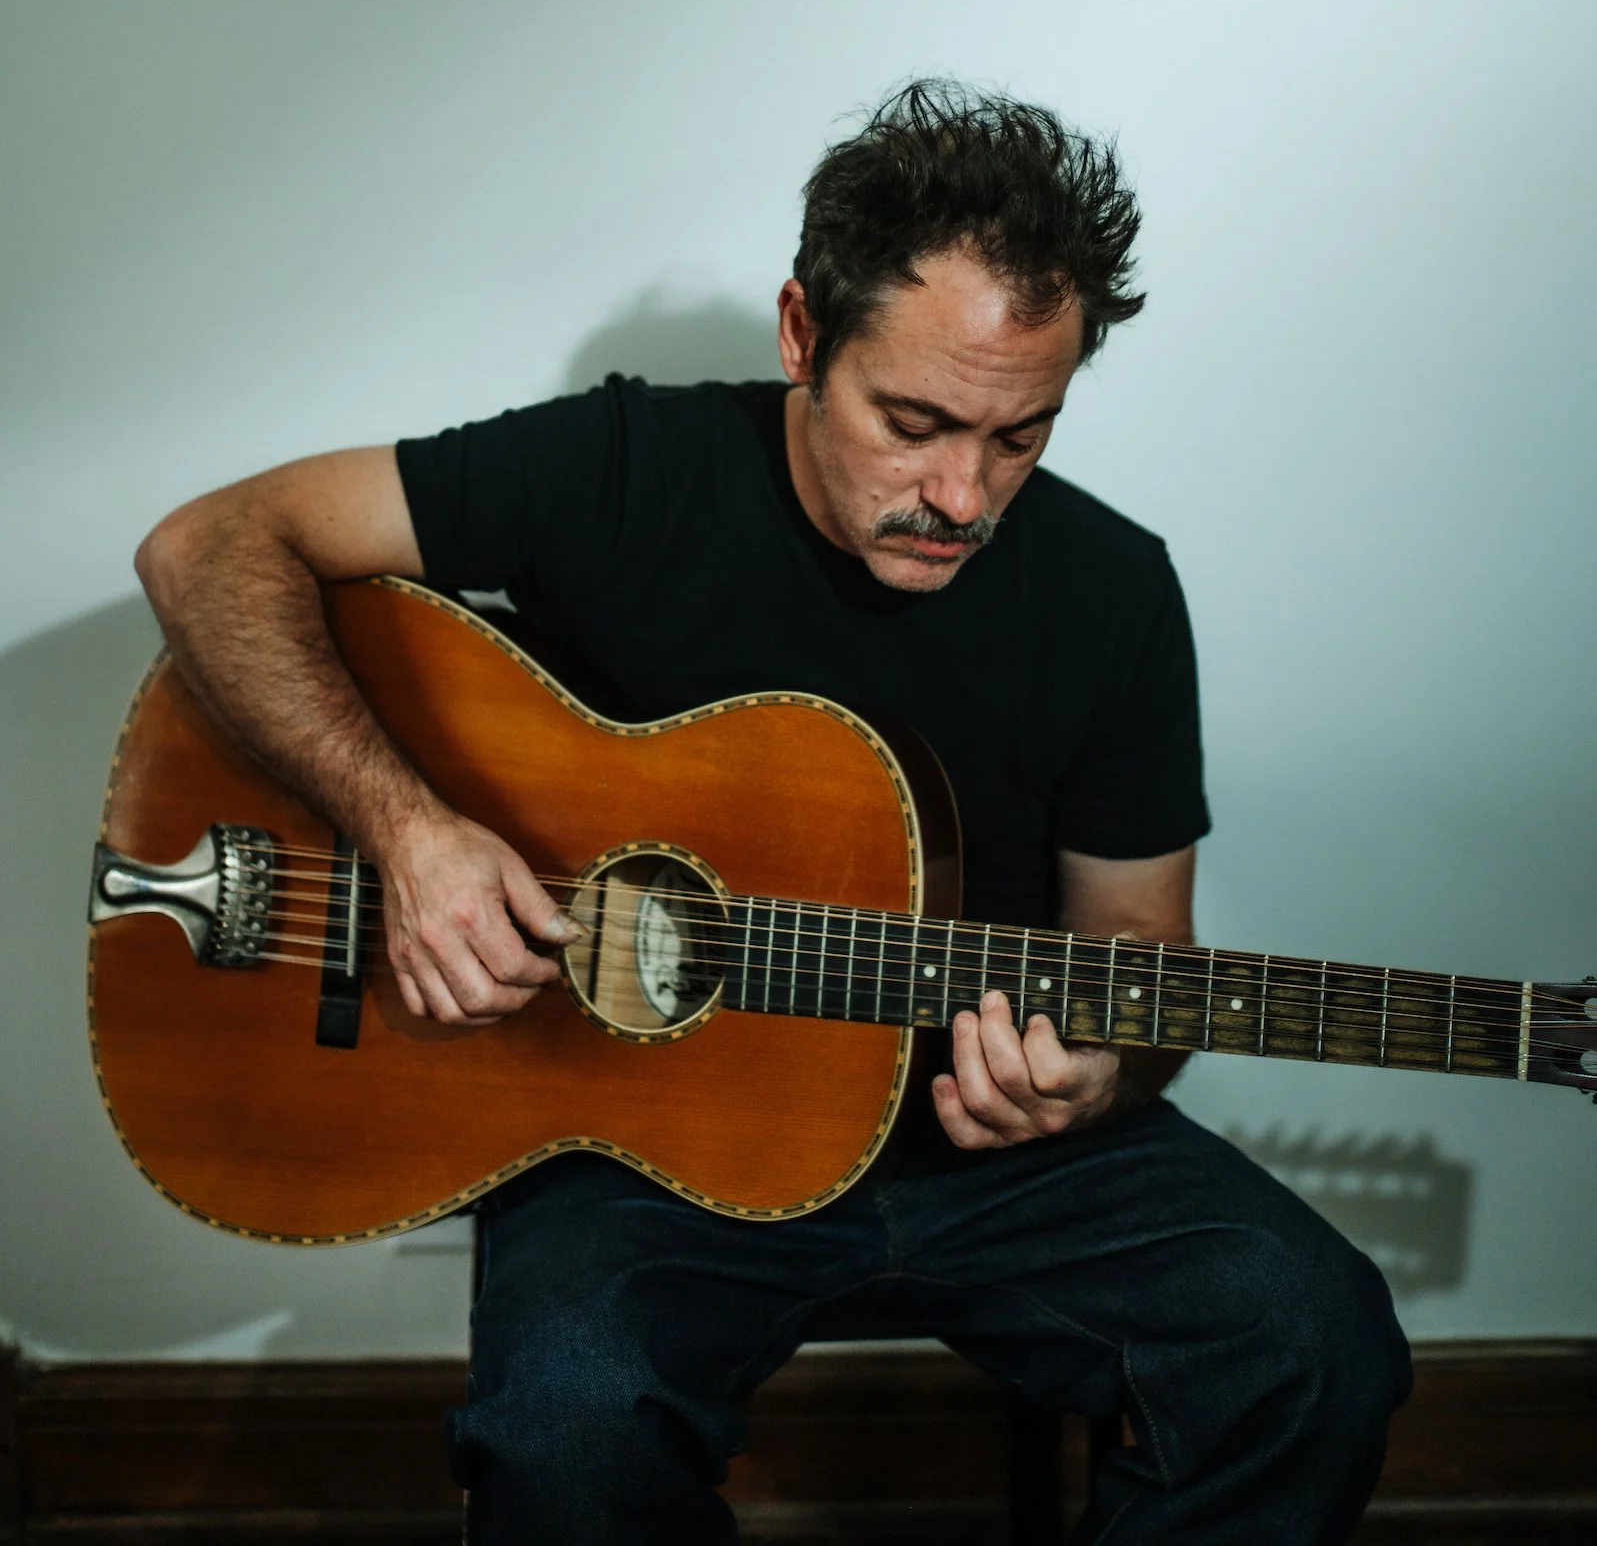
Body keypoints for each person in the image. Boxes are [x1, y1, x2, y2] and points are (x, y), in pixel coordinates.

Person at [135, 81, 1409, 1543]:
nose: (962, 492)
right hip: (637, 1159)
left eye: (1019, 437)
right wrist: (407, 833)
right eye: (914, 420)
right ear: (806, 333)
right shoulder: (626, 473)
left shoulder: (1114, 592)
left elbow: (1146, 968)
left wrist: (1099, 1079)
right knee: (569, 1426)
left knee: (1314, 1345)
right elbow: (210, 549)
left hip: (987, 1165)